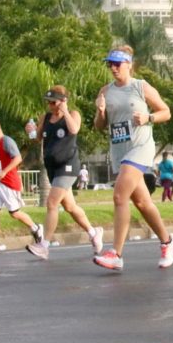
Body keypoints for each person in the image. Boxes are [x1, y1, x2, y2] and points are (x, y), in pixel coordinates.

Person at [92, 45, 173, 271]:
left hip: (141, 148)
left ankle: (116, 253)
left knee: (120, 196)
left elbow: (166, 112)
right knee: (141, 202)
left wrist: (148, 117)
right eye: (109, 64)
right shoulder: (105, 91)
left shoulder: (141, 87)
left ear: (129, 64)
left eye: (117, 64)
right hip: (120, 151)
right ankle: (168, 241)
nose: (113, 68)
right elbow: (100, 126)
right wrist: (100, 112)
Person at [23, 87, 104, 259]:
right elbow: (37, 138)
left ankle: (44, 245)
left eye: (54, 102)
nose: (51, 106)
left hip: (68, 165)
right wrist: (30, 131)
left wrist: (65, 111)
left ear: (63, 100)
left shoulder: (73, 115)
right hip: (52, 167)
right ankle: (93, 232)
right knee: (70, 206)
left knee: (52, 203)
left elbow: (74, 130)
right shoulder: (45, 118)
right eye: (49, 102)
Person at [0, 119, 46, 254]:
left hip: (9, 183)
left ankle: (36, 228)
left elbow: (18, 159)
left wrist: (4, 172)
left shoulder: (7, 141)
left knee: (14, 213)